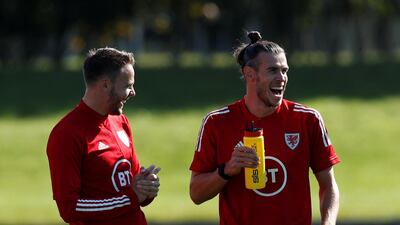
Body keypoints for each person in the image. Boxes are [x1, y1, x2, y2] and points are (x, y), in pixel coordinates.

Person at [189, 31, 340, 225]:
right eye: (272, 70)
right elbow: (196, 194)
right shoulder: (216, 122)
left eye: (284, 71)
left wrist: (328, 223)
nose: (282, 78)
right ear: (250, 74)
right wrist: (227, 170)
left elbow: (329, 186)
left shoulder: (307, 119)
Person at [47, 47, 160, 225]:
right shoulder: (66, 134)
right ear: (106, 84)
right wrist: (131, 198)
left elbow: (131, 188)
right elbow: (70, 209)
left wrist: (146, 188)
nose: (133, 92)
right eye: (128, 86)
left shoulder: (121, 121)